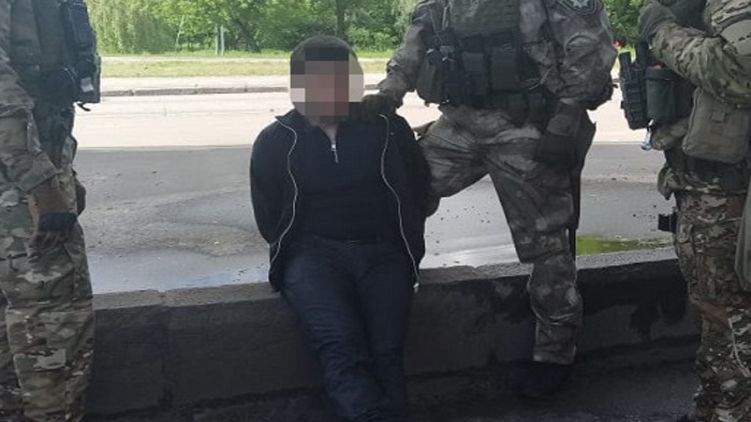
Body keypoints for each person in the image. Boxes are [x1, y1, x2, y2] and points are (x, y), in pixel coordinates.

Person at [356, 0, 617, 398]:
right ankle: (389, 297)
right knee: (400, 192)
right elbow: (419, 36)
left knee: (546, 245)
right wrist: (389, 92)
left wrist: (565, 120)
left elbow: (590, 49)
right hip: (460, 122)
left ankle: (555, 354)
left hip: (527, 127)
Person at [250, 35, 430, 422]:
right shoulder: (276, 141)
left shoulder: (386, 129)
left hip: (383, 253)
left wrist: (403, 244)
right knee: (340, 345)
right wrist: (302, 254)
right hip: (313, 257)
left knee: (387, 351)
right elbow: (269, 216)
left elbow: (418, 190)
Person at [638, 0, 751, 420]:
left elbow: (742, 72)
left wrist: (662, 32)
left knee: (730, 312)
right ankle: (714, 406)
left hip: (728, 191)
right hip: (705, 187)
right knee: (714, 308)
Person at [0, 0, 99, 420]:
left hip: (26, 177)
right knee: (53, 331)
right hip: (20, 193)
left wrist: (63, 173)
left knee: (15, 346)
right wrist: (43, 185)